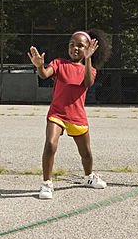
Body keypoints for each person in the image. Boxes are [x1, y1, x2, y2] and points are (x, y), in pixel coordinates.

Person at [28, 30, 110, 200]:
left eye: (80, 45)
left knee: (86, 153)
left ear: (89, 49)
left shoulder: (91, 70)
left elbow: (88, 82)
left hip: (77, 116)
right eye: (72, 44)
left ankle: (89, 177)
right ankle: (47, 183)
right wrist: (39, 66)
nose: (75, 48)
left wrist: (87, 60)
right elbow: (44, 74)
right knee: (50, 144)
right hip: (57, 113)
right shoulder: (59, 63)